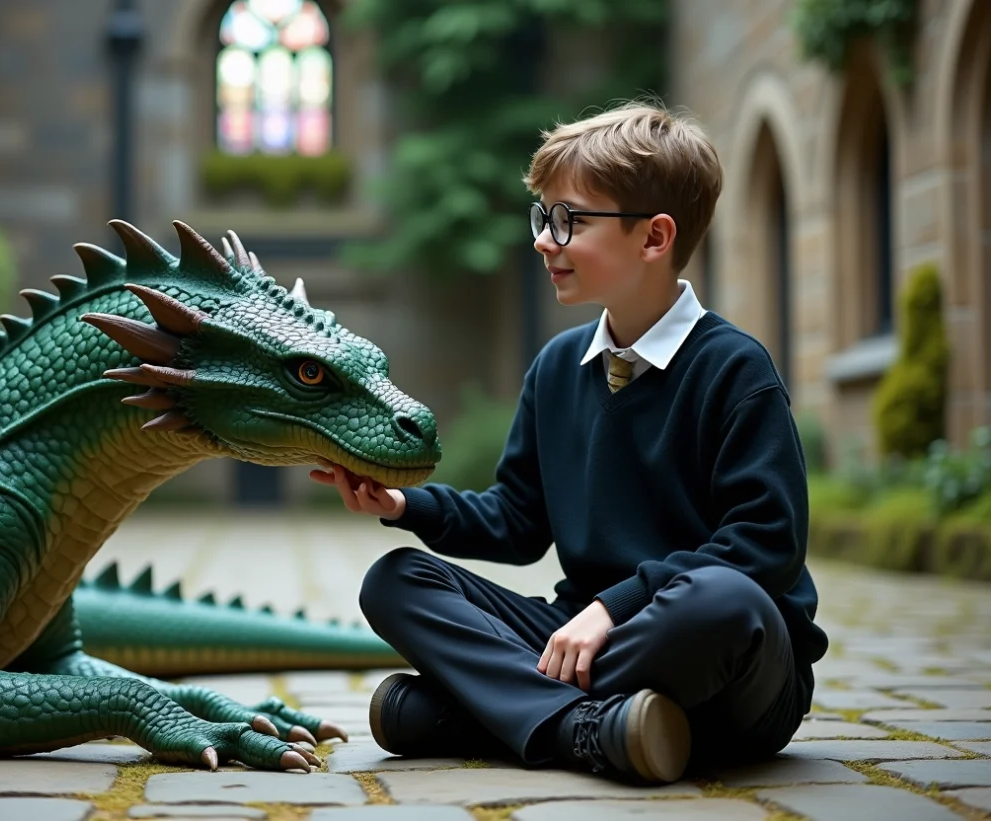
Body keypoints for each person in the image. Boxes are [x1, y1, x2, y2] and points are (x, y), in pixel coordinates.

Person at [310, 100, 828, 784]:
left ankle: (494, 712)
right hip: (579, 636)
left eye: (569, 220)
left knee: (724, 600)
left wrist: (612, 609)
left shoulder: (736, 369)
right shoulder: (556, 369)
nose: (543, 240)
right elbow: (518, 522)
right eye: (543, 217)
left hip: (727, 667)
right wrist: (405, 505)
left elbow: (765, 544)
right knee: (397, 580)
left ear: (653, 237)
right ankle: (591, 728)